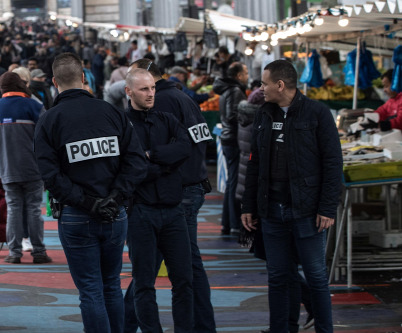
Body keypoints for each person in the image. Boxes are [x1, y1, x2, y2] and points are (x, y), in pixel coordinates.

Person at [34, 52, 147, 333]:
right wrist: (116, 198)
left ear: (54, 82)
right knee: (111, 285)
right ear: (84, 78)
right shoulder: (111, 112)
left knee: (91, 291)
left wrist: (87, 203)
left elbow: (50, 176)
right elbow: (136, 163)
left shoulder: (49, 121)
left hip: (76, 215)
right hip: (115, 214)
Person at [241, 59, 342, 333]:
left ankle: (324, 329)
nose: (260, 88)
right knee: (278, 277)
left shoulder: (317, 114)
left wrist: (327, 208)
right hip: (272, 210)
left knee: (316, 277)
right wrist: (248, 205)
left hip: (308, 212)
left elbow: (333, 163)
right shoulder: (264, 114)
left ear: (280, 85)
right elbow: (255, 163)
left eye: (264, 83)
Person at [125, 58, 217, 333]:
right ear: (130, 90)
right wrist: (162, 164)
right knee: (152, 278)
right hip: (151, 204)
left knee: (183, 274)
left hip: (177, 199)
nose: (150, 93)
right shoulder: (176, 100)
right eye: (143, 89)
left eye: (151, 87)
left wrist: (152, 157)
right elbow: (132, 165)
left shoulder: (166, 110)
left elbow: (183, 149)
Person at [0, 72, 51, 264]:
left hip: (7, 167)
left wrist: (0, 151)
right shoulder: (35, 106)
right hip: (32, 168)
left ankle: (14, 253)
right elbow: (46, 138)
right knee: (33, 208)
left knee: (13, 209)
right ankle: (39, 251)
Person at [213, 62, 248, 236]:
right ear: (239, 75)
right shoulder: (235, 91)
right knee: (234, 181)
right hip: (233, 139)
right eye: (246, 73)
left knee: (231, 181)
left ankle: (228, 223)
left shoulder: (227, 90)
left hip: (228, 138)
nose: (248, 76)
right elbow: (234, 115)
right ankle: (233, 223)